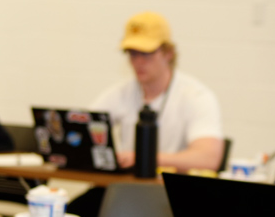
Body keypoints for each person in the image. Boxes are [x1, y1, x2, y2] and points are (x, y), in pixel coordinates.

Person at [91, 11, 224, 172]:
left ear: (168, 53)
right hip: (126, 188)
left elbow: (208, 158)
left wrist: (143, 157)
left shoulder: (196, 96)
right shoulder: (120, 93)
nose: (138, 62)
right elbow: (85, 125)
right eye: (132, 54)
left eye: (146, 54)